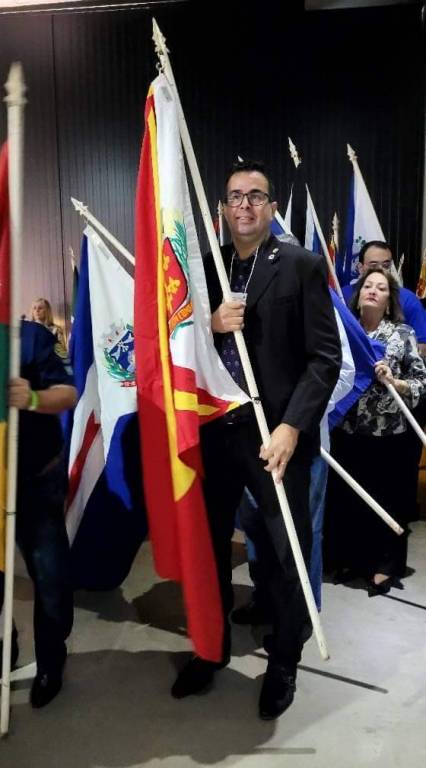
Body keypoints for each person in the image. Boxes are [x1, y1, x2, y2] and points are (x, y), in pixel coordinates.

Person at [171, 159, 341, 719]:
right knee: (210, 548)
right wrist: (209, 324)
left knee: (287, 553)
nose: (244, 205)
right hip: (216, 433)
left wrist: (293, 426)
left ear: (271, 207)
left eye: (255, 196)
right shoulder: (207, 273)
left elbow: (324, 358)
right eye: (234, 196)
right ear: (221, 208)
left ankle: (284, 661)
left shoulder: (301, 266)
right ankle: (211, 649)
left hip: (276, 438)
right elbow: (180, 346)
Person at [324, 267, 426, 595]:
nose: (373, 291)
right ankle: (352, 560)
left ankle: (386, 566)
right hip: (347, 430)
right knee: (349, 500)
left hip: (388, 436)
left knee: (388, 500)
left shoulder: (401, 334)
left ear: (389, 300)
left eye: (381, 288)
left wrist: (395, 381)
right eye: (368, 285)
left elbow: (421, 382)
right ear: (358, 296)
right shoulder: (343, 330)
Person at [0, 320, 76, 707]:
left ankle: (50, 661)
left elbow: (68, 393)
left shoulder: (32, 337)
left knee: (50, 580)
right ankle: (5, 646)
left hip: (35, 479)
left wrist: (30, 398)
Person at [342, 242, 426, 356]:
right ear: (360, 268)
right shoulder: (341, 296)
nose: (380, 269)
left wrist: (393, 361)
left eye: (386, 265)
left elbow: (421, 346)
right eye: (373, 265)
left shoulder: (408, 300)